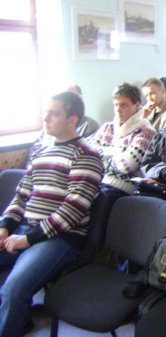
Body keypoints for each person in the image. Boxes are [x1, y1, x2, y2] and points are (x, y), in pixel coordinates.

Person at [0, 91, 103, 337]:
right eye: (45, 113)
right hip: (27, 229)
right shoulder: (42, 152)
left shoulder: (87, 155)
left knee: (14, 289)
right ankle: (19, 320)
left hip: (61, 238)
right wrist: (5, 227)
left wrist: (28, 239)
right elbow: (21, 196)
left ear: (73, 120)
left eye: (54, 114)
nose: (46, 119)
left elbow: (72, 211)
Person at [89, 83, 156, 206]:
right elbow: (89, 156)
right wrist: (117, 152)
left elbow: (127, 165)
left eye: (124, 105)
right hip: (98, 182)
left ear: (137, 105)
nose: (118, 109)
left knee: (96, 202)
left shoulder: (146, 132)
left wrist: (103, 154)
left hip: (122, 187)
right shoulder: (107, 127)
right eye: (116, 105)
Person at [27, 84, 100, 163]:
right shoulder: (49, 129)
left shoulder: (89, 126)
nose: (45, 119)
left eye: (71, 96)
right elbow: (34, 154)